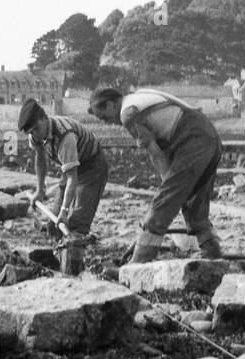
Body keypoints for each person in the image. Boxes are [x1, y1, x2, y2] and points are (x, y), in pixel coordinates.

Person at [89, 86, 223, 263]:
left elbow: (155, 153)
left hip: (193, 138)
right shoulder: (139, 96)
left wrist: (168, 187)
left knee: (164, 201)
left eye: (104, 117)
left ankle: (139, 262)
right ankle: (212, 252)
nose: (108, 123)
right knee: (194, 199)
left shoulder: (128, 114)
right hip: (209, 133)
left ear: (111, 105)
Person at [18, 97, 110, 275]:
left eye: (36, 128)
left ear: (44, 118)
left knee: (76, 224)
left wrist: (65, 210)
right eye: (31, 132)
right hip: (71, 166)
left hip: (93, 166)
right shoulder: (35, 136)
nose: (35, 134)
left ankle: (72, 269)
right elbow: (40, 159)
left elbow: (72, 179)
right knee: (54, 222)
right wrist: (39, 190)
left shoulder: (65, 136)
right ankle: (59, 255)